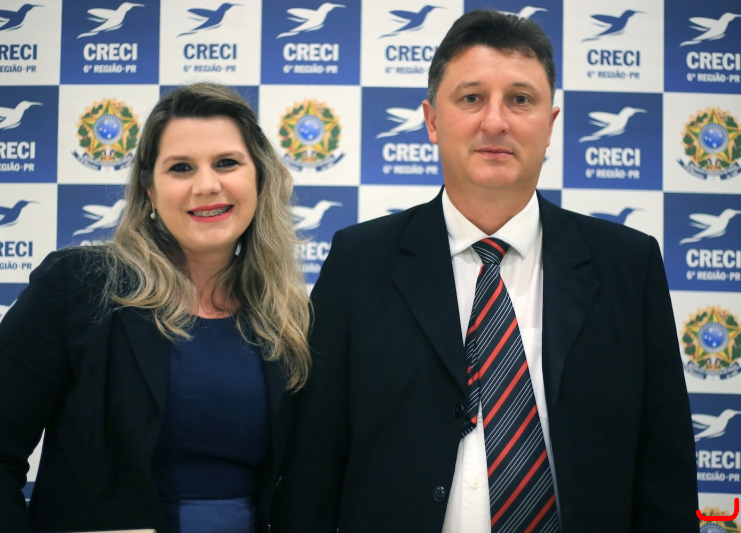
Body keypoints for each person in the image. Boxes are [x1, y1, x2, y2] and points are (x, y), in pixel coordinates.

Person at [272, 10, 698, 533]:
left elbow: (664, 469)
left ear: (550, 125)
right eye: (471, 98)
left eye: (520, 100)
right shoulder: (359, 262)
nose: (495, 122)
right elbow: (312, 468)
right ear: (432, 121)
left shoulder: (628, 265)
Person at [0, 83, 311, 533]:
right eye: (180, 167)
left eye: (227, 163)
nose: (207, 185)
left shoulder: (287, 316)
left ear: (260, 178)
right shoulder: (76, 288)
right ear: (150, 191)